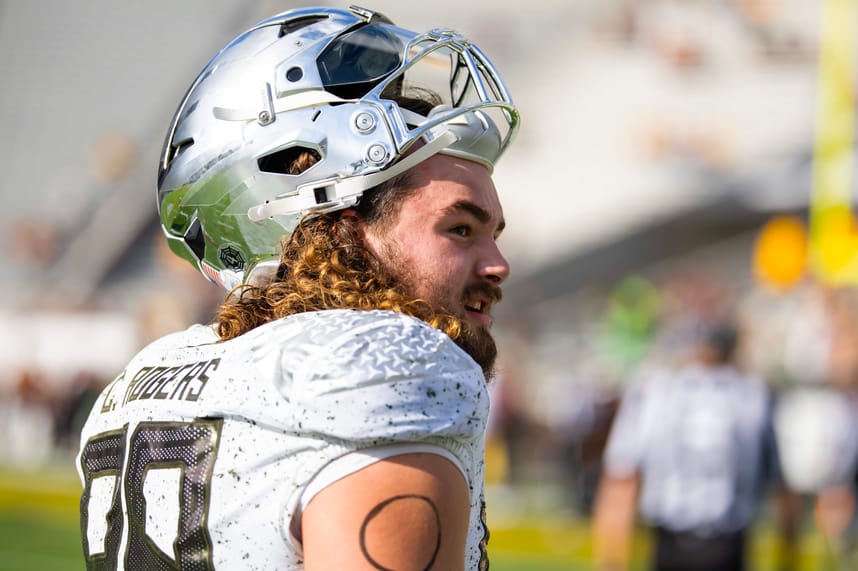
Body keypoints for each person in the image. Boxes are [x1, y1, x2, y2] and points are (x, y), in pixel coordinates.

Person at [76, 6, 519, 570]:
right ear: (337, 224)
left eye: (493, 234)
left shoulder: (147, 376)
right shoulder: (393, 366)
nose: (499, 264)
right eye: (460, 228)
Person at [592, 319, 788, 571]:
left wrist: (611, 562)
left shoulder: (656, 392)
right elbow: (781, 490)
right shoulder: (753, 396)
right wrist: (787, 556)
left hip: (671, 544)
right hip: (727, 544)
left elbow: (620, 485)